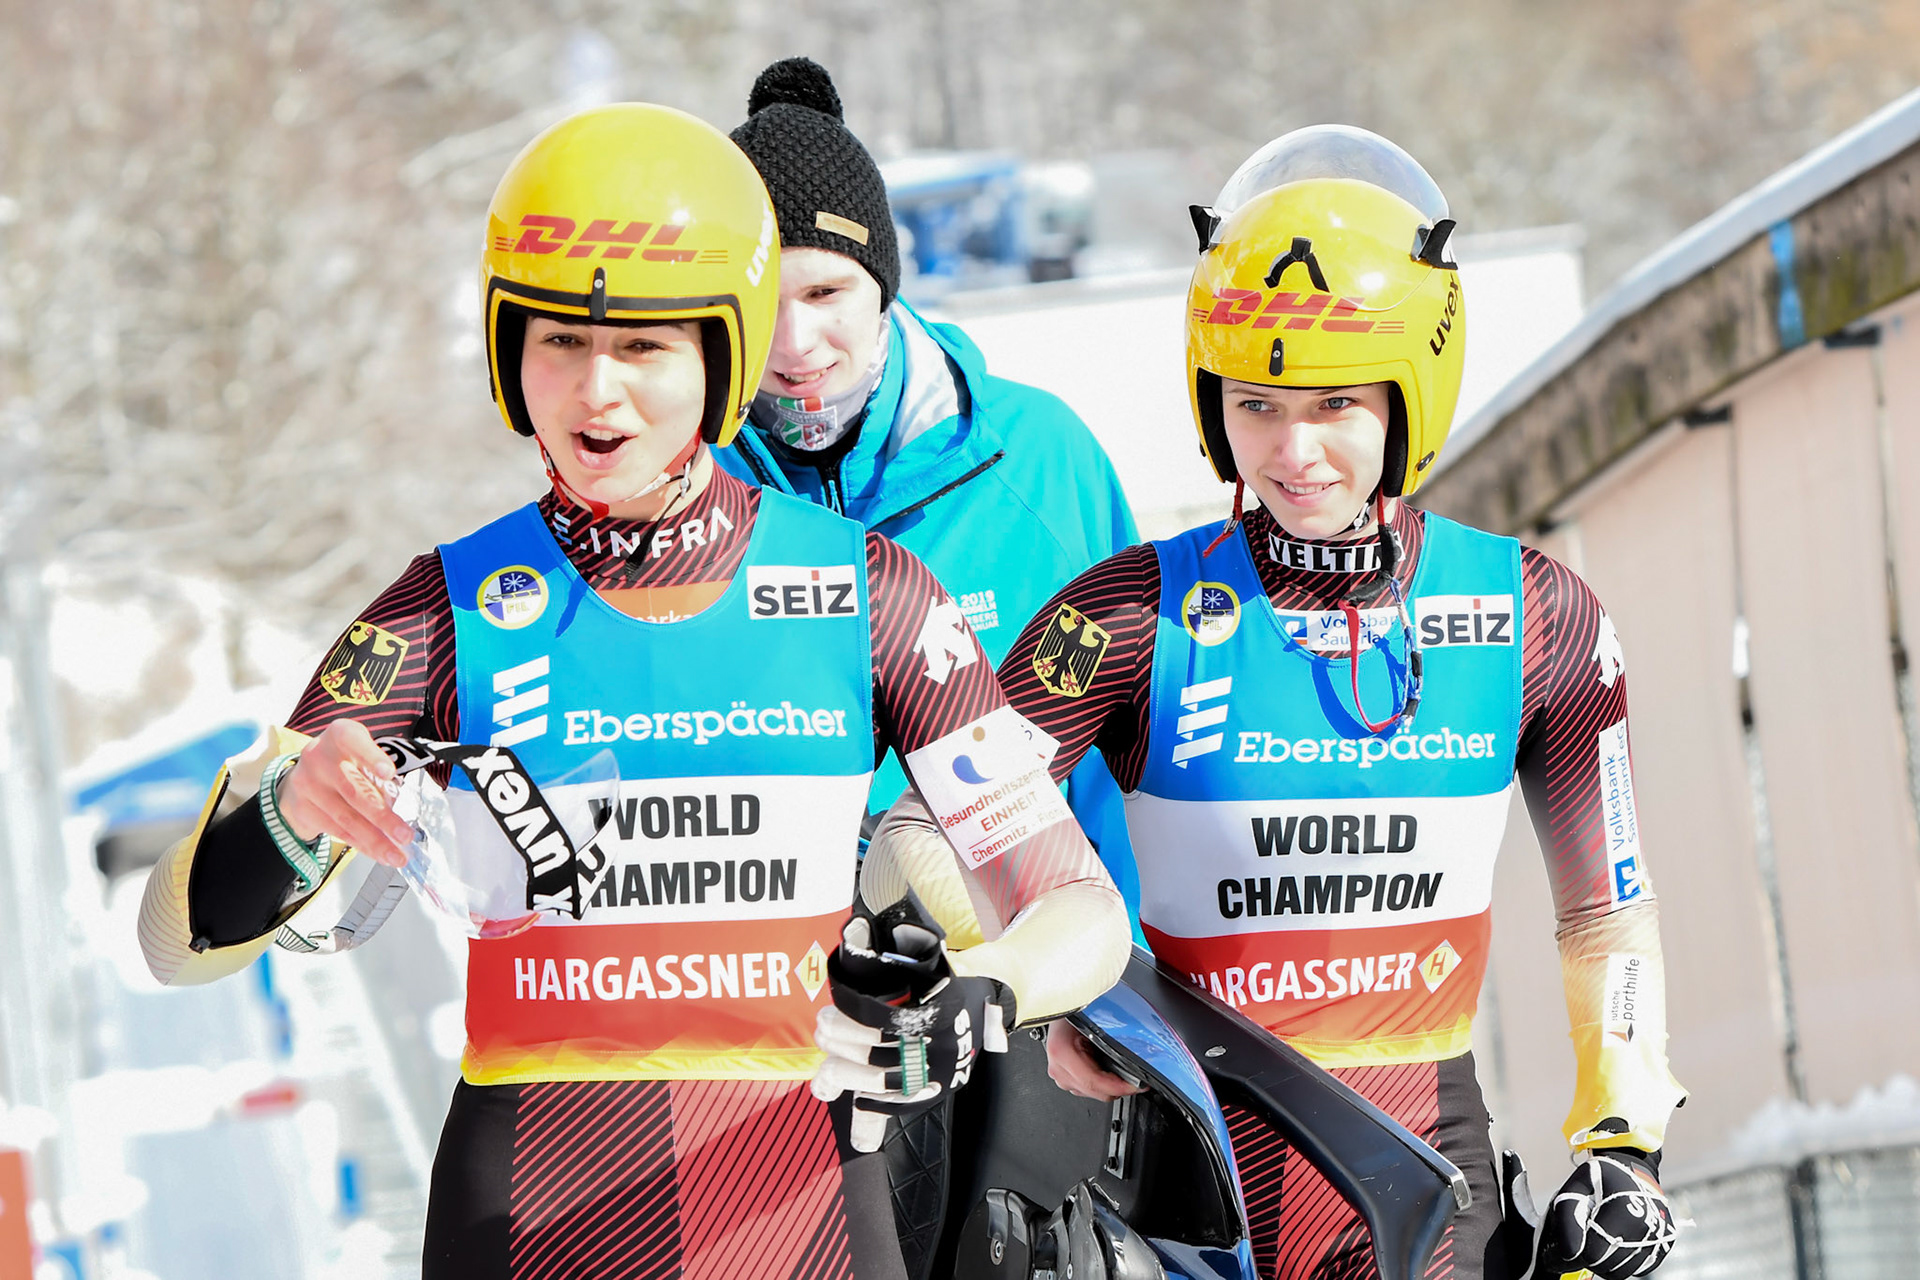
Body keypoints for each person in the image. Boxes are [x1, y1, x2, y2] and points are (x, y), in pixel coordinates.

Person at [137, 102, 1129, 1280]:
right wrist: (294, 814)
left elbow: (1079, 908)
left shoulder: (868, 592)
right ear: (509, 350)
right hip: (529, 1209)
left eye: (644, 347)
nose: (595, 394)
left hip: (795, 1206)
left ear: (722, 353)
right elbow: (176, 940)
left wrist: (987, 991)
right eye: (559, 341)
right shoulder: (444, 607)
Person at [993, 127, 1689, 1280]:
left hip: (1424, 1185)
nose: (1294, 448)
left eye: (1335, 404)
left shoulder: (1538, 615)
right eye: (1256, 403)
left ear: (1411, 391)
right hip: (1190, 1193)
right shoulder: (1128, 610)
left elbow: (1607, 909)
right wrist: (1069, 988)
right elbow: (952, 815)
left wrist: (1628, 1145)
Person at [712, 58, 1143, 916]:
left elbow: (1137, 754)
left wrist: (1119, 987)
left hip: (1033, 984)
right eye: (763, 300)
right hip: (786, 999)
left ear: (883, 284)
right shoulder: (686, 493)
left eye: (827, 290)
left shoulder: (1038, 458)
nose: (796, 343)